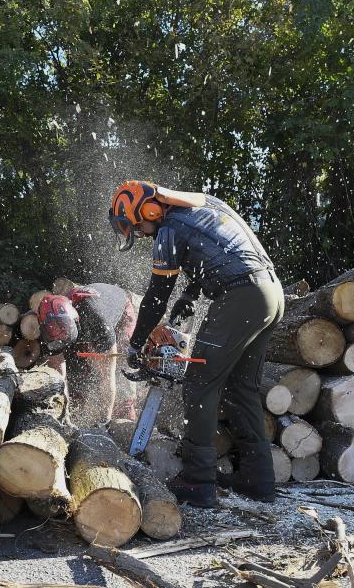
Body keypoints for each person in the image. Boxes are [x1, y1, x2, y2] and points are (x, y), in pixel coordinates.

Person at [109, 180, 284, 505]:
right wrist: (184, 309)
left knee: (200, 383)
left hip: (241, 297)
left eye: (140, 225)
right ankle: (258, 478)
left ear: (149, 210)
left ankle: (197, 480)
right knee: (241, 386)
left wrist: (135, 345)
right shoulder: (205, 207)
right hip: (271, 293)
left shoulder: (168, 229)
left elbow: (155, 297)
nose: (143, 233)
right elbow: (206, 271)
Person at [37, 284, 139, 425]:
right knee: (76, 367)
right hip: (83, 325)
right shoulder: (48, 331)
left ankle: (125, 413)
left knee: (123, 361)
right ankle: (76, 410)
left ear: (73, 318)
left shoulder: (97, 320)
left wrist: (105, 421)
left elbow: (107, 377)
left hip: (120, 313)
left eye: (65, 331)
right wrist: (64, 414)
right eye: (59, 335)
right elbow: (60, 375)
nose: (62, 336)